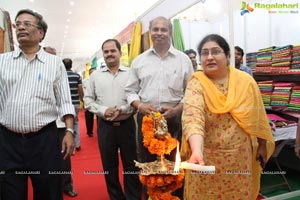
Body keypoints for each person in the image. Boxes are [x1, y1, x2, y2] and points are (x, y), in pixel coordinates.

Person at [180, 34, 275, 200]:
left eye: (215, 51)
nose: (209, 57)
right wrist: (196, 150)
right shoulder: (197, 82)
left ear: (227, 55)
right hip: (204, 157)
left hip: (239, 155)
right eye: (204, 53)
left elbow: (257, 116)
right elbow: (192, 117)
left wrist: (261, 144)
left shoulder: (245, 81)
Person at [0, 9, 75, 200]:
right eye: (18, 24)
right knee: (10, 193)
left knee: (48, 191)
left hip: (44, 141)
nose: (21, 27)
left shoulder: (54, 63)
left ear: (41, 33)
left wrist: (69, 131)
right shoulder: (2, 62)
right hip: (8, 142)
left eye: (27, 24)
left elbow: (65, 100)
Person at [125, 16, 193, 199]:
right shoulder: (139, 61)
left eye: (164, 29)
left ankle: (175, 196)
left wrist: (178, 109)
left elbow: (192, 92)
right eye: (155, 29)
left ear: (170, 32)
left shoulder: (183, 60)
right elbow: (130, 91)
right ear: (150, 33)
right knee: (149, 165)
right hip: (148, 120)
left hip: (174, 119)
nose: (159, 33)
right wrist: (140, 105)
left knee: (175, 165)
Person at [84, 39, 142, 200]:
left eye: (112, 51)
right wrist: (103, 110)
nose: (109, 54)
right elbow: (88, 101)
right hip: (105, 126)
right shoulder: (95, 76)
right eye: (106, 51)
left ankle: (134, 196)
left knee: (131, 165)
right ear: (103, 54)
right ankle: (116, 196)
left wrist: (123, 109)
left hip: (127, 125)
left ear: (120, 52)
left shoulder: (131, 73)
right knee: (109, 166)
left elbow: (138, 97)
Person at [44, 46, 78, 197]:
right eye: (49, 55)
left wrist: (69, 129)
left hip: (61, 123)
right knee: (45, 159)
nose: (53, 59)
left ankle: (67, 185)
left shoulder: (60, 72)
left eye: (55, 56)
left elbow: (66, 100)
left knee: (64, 158)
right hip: (43, 125)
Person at [63, 58, 83, 151]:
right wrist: (82, 100)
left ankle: (67, 143)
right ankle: (77, 144)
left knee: (65, 124)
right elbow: (80, 90)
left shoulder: (61, 76)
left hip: (64, 104)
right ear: (71, 65)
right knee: (75, 122)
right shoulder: (77, 76)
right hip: (75, 103)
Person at [83, 67, 96, 137]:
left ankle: (99, 130)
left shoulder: (99, 80)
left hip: (98, 101)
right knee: (88, 117)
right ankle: (89, 131)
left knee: (99, 117)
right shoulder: (85, 81)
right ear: (90, 73)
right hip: (88, 100)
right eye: (92, 72)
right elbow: (83, 91)